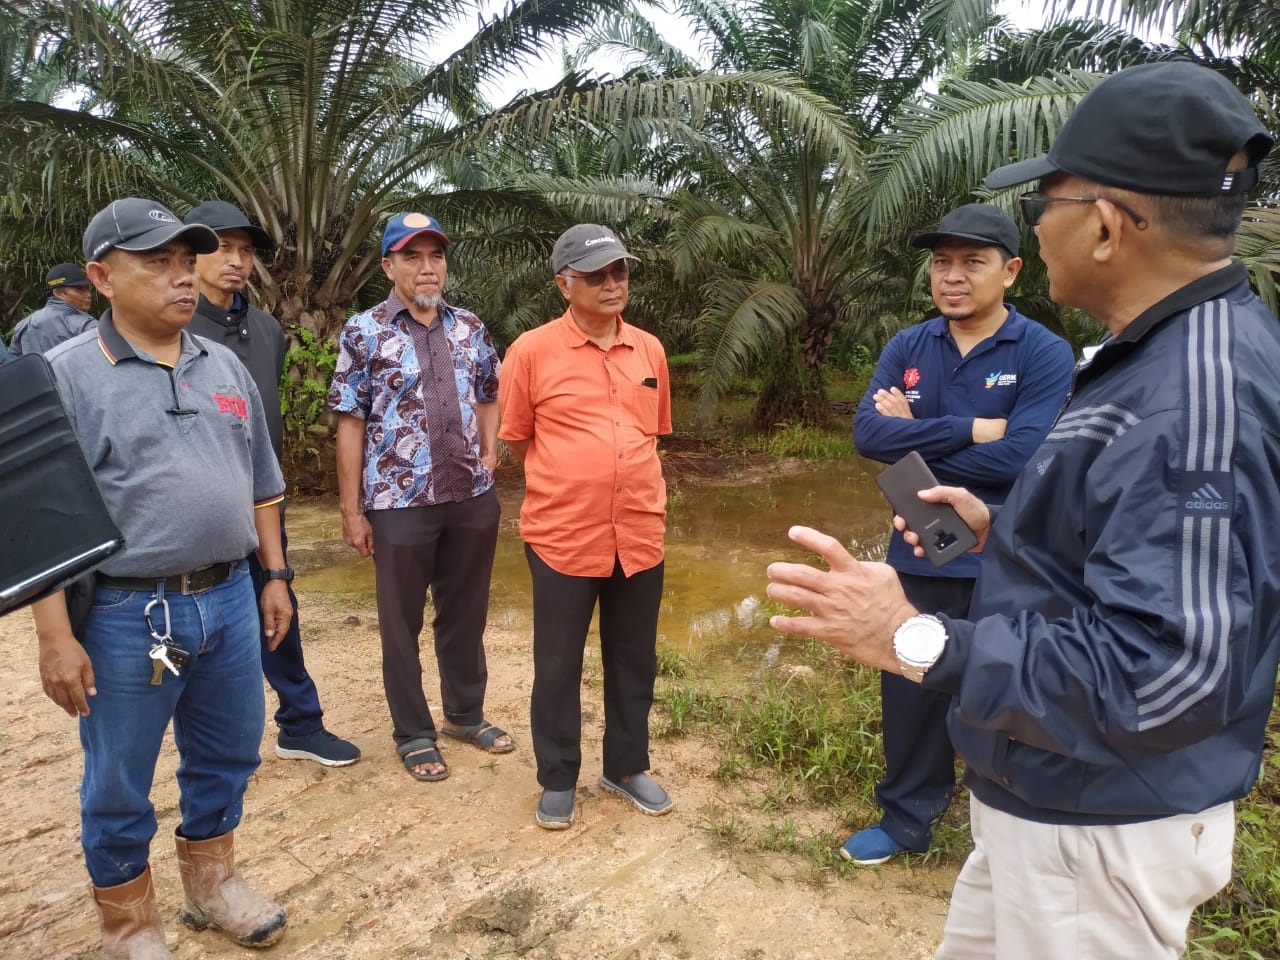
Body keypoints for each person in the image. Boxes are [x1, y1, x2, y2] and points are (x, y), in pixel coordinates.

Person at [766, 61, 1279, 960]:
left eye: (1047, 200)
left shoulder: (1192, 397)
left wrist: (915, 638)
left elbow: (1165, 673)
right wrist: (1013, 528)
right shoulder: (1144, 358)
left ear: (1109, 226)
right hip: (1046, 795)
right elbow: (1123, 541)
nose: (1038, 226)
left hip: (1100, 825)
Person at [32, 197, 291, 957]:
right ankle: (129, 924)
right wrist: (54, 637)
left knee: (229, 752)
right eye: (158, 263)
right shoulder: (64, 376)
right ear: (101, 277)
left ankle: (211, 888)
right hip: (124, 614)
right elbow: (37, 526)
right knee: (118, 780)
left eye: (187, 262)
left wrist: (273, 575)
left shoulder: (225, 365)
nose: (183, 279)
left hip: (231, 600)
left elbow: (261, 483)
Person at [843, 204, 1074, 864]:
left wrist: (912, 434)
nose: (952, 276)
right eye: (942, 262)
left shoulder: (1041, 351)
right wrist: (975, 428)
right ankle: (907, 817)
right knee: (912, 681)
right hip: (920, 542)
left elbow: (1025, 454)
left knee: (1005, 686)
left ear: (1011, 270)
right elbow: (867, 435)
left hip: (1008, 551)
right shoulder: (909, 347)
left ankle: (1008, 825)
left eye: (972, 262)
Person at [498, 224, 674, 830]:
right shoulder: (530, 351)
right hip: (562, 537)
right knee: (557, 664)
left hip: (640, 534)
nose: (611, 283)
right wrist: (576, 482)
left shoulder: (649, 350)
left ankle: (625, 767)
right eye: (596, 274)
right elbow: (519, 439)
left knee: (634, 659)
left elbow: (652, 435)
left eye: (619, 271)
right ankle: (557, 776)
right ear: (563, 283)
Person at [327, 211, 511, 783]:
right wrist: (351, 508)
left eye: (435, 256)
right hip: (399, 504)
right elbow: (350, 421)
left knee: (465, 612)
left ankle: (464, 713)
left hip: (470, 497)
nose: (427, 267)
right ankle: (413, 732)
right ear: (389, 266)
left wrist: (492, 452)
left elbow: (488, 392)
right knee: (400, 622)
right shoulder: (364, 331)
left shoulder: (470, 326)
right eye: (412, 256)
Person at [183, 199, 360, 767]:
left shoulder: (265, 329)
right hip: (195, 502)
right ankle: (202, 740)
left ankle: (300, 723)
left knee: (276, 599)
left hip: (261, 497)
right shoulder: (175, 324)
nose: (236, 260)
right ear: (190, 254)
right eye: (221, 247)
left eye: (244, 250)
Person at [9, 263, 97, 356]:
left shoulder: (23, 326)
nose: (88, 295)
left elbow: (13, 365)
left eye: (87, 289)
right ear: (58, 293)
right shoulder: (85, 325)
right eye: (79, 289)